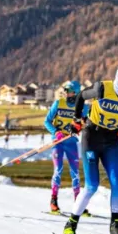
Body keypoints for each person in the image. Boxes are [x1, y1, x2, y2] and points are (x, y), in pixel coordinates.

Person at [61, 59, 118, 234]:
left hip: (111, 140)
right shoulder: (103, 88)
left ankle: (115, 227)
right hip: (91, 136)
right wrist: (76, 120)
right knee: (92, 186)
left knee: (117, 183)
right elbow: (81, 96)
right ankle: (71, 224)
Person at [43, 80, 89, 214]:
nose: (67, 94)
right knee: (58, 169)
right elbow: (47, 121)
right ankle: (53, 201)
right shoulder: (58, 103)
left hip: (71, 142)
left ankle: (78, 204)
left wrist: (82, 127)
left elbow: (86, 124)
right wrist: (55, 132)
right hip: (58, 142)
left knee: (75, 172)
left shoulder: (83, 108)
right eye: (66, 91)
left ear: (76, 92)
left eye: (70, 91)